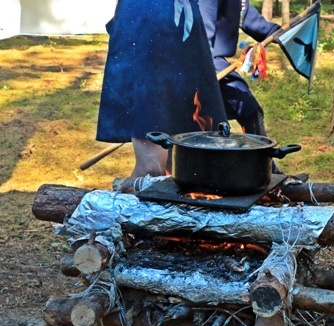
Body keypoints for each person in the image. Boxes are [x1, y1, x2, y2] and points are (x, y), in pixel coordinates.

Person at [96, 0, 228, 187]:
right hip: (171, 15)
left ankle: (150, 177)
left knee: (155, 168)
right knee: (174, 165)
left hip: (150, 14)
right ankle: (165, 180)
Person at [198, 0, 281, 137]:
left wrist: (276, 32)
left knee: (250, 113)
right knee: (249, 111)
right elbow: (202, 32)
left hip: (209, 60)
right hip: (201, 61)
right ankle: (260, 157)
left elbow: (246, 15)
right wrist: (203, 68)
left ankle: (260, 157)